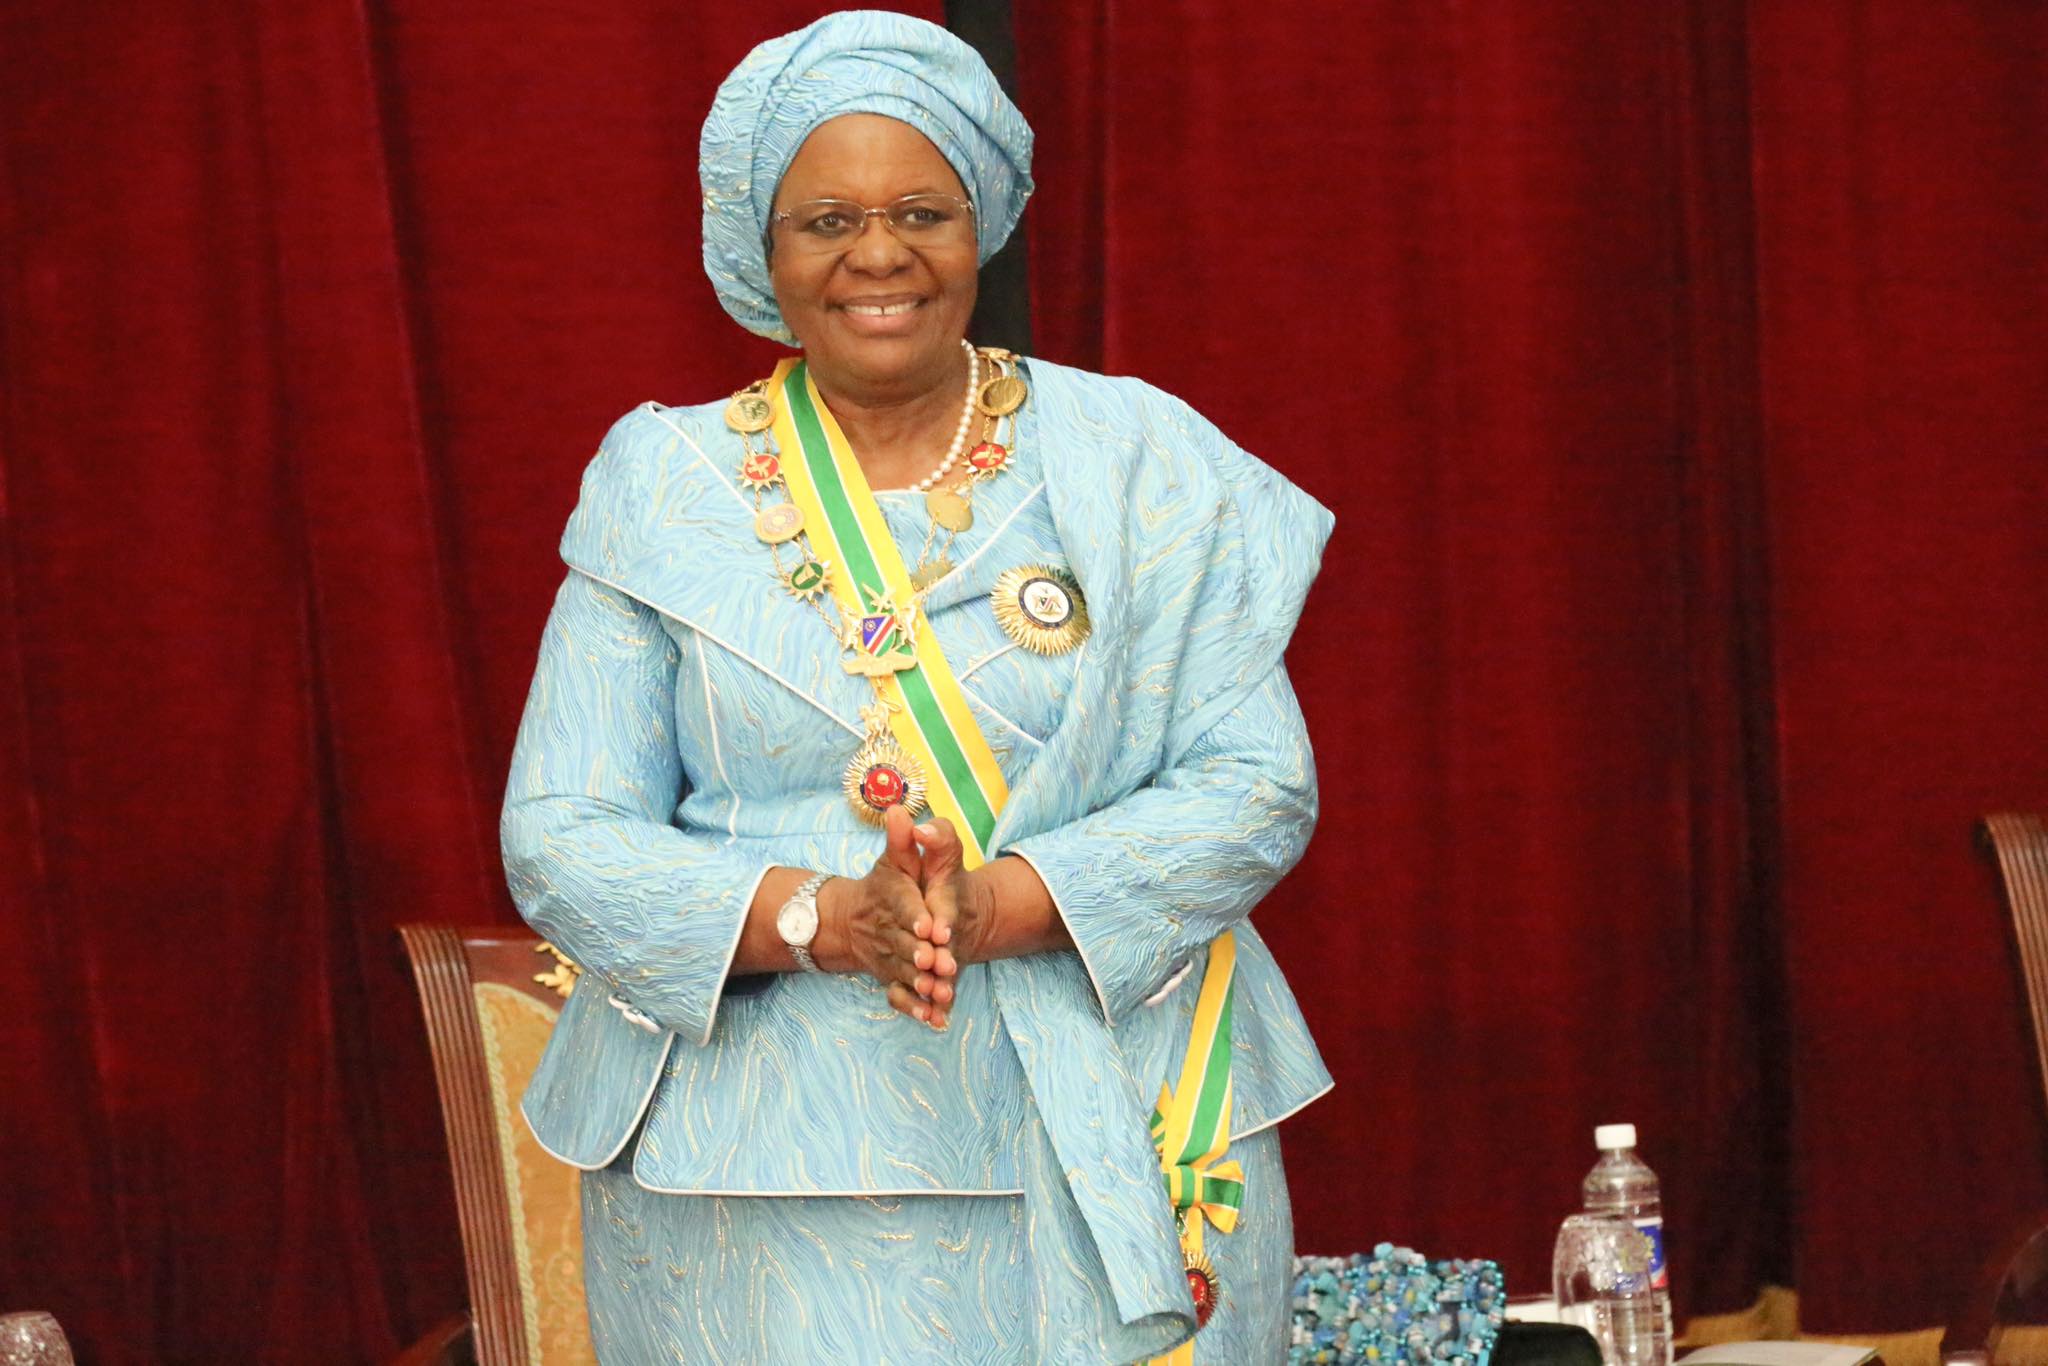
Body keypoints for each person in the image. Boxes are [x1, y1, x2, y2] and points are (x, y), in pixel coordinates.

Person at [501, 11, 1334, 1361]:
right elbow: (562, 834)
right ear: (763, 249)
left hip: (1128, 1120)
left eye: (921, 213)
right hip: (755, 1176)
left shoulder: (1137, 456)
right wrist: (827, 919)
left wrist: (1000, 906)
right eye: (827, 221)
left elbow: (1254, 786)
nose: (878, 255)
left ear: (981, 225)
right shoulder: (664, 484)